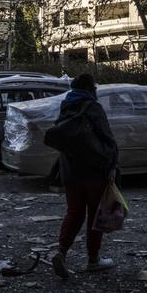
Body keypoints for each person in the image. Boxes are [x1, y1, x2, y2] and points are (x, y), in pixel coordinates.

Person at [52, 73, 118, 278]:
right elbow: (107, 137)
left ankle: (61, 252)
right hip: (94, 171)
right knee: (94, 217)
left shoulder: (66, 106)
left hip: (70, 170)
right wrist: (112, 165)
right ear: (91, 89)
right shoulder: (92, 107)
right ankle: (93, 260)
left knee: (74, 213)